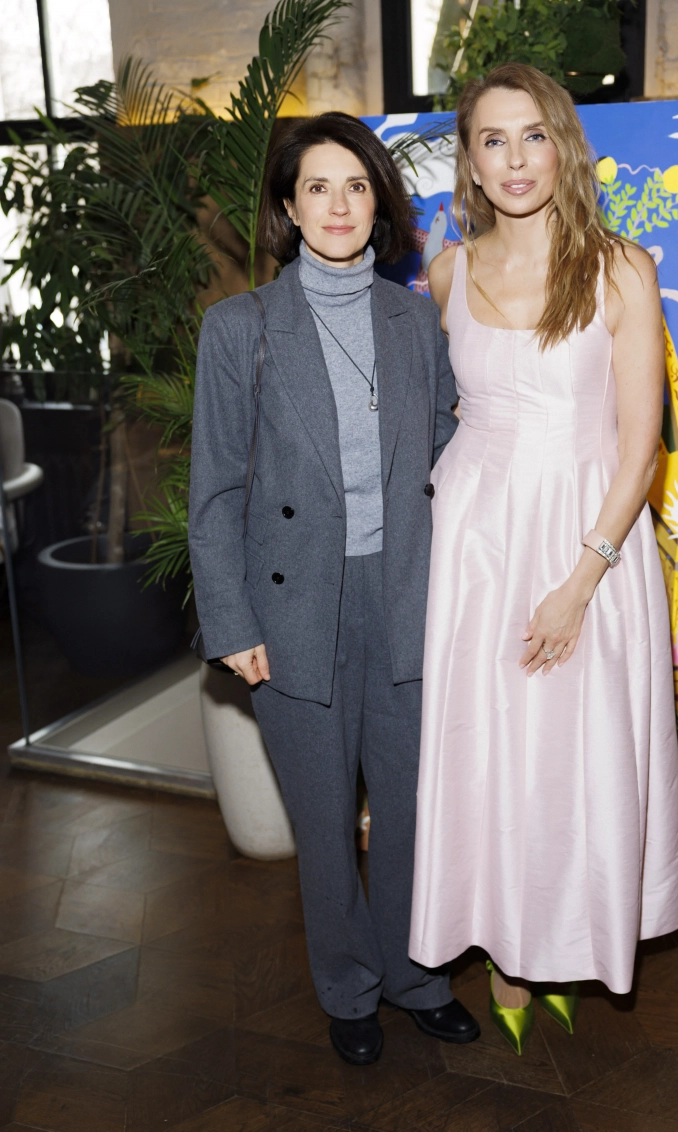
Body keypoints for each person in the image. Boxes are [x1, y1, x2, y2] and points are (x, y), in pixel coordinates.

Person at [409, 64, 678, 1055]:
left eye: (532, 135)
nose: (515, 159)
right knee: (486, 751)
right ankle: (506, 954)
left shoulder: (620, 268)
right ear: (471, 160)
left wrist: (580, 581)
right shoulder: (447, 272)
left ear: (563, 147)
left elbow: (641, 445)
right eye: (493, 140)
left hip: (588, 543)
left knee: (576, 755)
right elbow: (438, 413)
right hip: (473, 546)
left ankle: (568, 940)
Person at [189, 112, 480, 1066]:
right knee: (323, 823)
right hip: (292, 607)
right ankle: (349, 987)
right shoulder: (241, 329)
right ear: (289, 205)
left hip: (406, 594)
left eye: (356, 185)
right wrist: (231, 621)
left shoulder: (414, 320)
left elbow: (449, 451)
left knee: (407, 811)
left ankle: (414, 976)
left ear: (378, 202)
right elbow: (215, 491)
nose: (340, 205)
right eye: (318, 186)